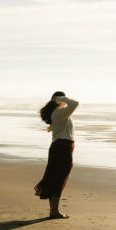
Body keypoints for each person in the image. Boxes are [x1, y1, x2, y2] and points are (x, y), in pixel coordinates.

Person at [34, 91, 79, 219]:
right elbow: (75, 103)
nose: (65, 100)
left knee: (55, 177)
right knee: (59, 178)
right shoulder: (59, 113)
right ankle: (54, 211)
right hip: (62, 147)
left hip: (60, 147)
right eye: (63, 98)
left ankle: (54, 211)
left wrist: (58, 100)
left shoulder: (58, 113)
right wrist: (60, 98)